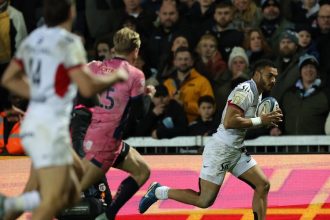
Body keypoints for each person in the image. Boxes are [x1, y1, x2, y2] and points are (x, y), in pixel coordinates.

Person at [0, 0, 128, 219]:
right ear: (71, 12)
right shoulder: (69, 42)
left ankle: (11, 206)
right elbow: (87, 87)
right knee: (57, 198)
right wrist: (117, 76)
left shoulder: (34, 39)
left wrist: (40, 93)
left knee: (76, 178)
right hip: (47, 129)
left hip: (39, 126)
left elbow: (8, 78)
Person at [139, 59, 283, 220]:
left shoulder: (258, 93)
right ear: (257, 74)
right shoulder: (245, 90)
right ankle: (159, 191)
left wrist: (264, 121)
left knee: (263, 185)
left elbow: (243, 122)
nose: (273, 80)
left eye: (275, 77)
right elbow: (229, 122)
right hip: (221, 150)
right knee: (204, 200)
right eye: (269, 75)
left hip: (235, 150)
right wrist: (260, 121)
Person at [79, 27, 154, 220]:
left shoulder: (94, 66)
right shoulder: (135, 75)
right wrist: (149, 96)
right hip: (105, 145)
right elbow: (140, 114)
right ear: (135, 51)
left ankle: (107, 215)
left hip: (97, 137)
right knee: (72, 192)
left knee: (142, 171)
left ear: (114, 47)